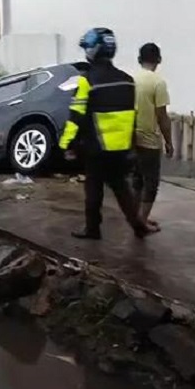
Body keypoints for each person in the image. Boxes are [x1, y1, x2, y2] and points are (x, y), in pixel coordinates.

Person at [59, 28, 150, 240]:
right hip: (121, 148)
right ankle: (137, 225)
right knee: (121, 188)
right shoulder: (127, 80)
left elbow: (76, 117)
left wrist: (66, 144)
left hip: (97, 147)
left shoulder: (86, 81)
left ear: (93, 49)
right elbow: (132, 116)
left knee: (93, 190)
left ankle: (93, 229)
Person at [133, 43, 174, 233]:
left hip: (131, 139)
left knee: (136, 180)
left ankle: (136, 217)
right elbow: (162, 116)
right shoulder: (158, 82)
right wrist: (169, 141)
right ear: (158, 60)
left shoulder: (131, 79)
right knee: (151, 183)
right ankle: (141, 222)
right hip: (149, 140)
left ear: (139, 59)